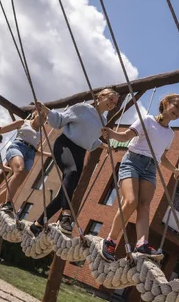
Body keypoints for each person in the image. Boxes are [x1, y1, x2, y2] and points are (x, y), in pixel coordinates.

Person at [99, 93, 179, 261]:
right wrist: (112, 133)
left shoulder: (170, 135)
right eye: (176, 106)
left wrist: (174, 169)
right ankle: (111, 240)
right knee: (131, 201)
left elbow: (162, 157)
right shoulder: (147, 120)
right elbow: (125, 137)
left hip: (151, 168)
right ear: (166, 103)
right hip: (132, 162)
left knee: (144, 206)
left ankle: (142, 244)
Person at [28, 88, 120, 236]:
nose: (112, 103)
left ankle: (38, 224)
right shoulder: (83, 108)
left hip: (80, 152)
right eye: (110, 98)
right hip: (65, 145)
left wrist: (102, 145)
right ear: (100, 96)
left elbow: (88, 140)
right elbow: (60, 120)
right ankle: (66, 215)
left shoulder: (103, 121)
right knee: (71, 172)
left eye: (115, 103)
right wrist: (46, 110)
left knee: (65, 193)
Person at [0, 109, 52, 216]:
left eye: (45, 118)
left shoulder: (40, 134)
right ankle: (8, 203)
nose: (43, 118)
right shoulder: (23, 123)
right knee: (19, 170)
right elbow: (0, 130)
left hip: (30, 155)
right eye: (42, 115)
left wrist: (50, 155)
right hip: (18, 147)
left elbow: (36, 150)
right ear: (35, 114)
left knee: (15, 184)